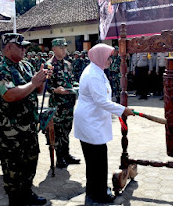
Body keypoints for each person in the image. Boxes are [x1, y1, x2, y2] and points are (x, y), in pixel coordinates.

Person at [0, 33, 51, 206]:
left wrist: (42, 78)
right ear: (9, 47)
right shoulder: (0, 69)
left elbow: (38, 91)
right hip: (11, 132)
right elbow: (9, 95)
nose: (25, 49)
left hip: (29, 127)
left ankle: (27, 193)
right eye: (21, 46)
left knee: (30, 163)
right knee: (13, 171)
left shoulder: (25, 66)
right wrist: (33, 83)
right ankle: (16, 199)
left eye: (25, 46)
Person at [73, 44, 134, 203]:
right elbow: (101, 101)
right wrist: (122, 110)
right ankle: (98, 194)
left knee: (96, 159)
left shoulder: (97, 71)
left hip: (92, 121)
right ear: (100, 56)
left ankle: (95, 190)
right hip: (90, 122)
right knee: (97, 160)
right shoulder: (93, 74)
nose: (110, 60)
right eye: (108, 57)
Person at [47, 38, 80, 168]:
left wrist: (77, 87)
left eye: (65, 48)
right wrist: (55, 90)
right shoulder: (48, 65)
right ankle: (59, 157)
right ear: (54, 49)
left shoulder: (68, 64)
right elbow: (45, 86)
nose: (64, 50)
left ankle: (66, 154)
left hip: (69, 103)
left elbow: (72, 80)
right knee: (58, 130)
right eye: (61, 48)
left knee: (67, 129)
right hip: (57, 104)